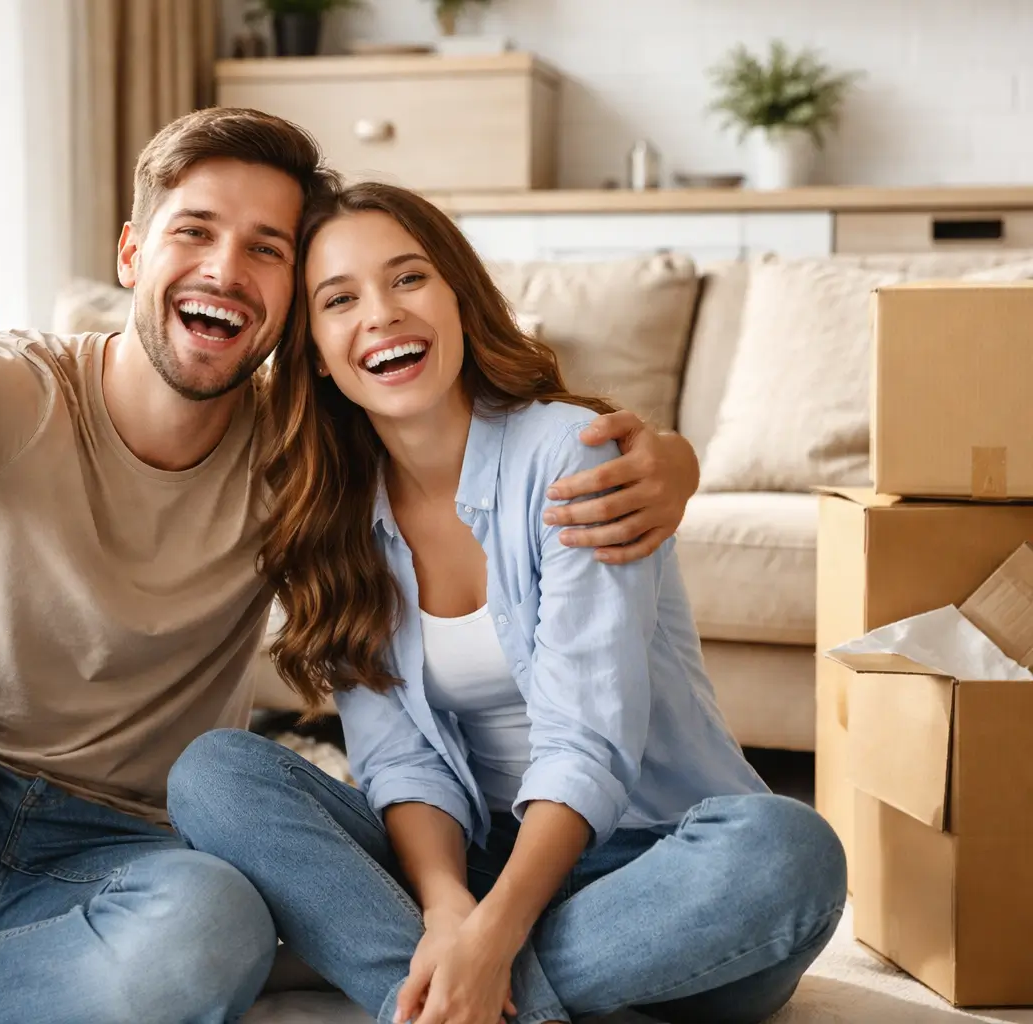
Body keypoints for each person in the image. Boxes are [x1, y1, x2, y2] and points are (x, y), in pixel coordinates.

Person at [0, 110, 701, 1024]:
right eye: (196, 231)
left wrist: (672, 462)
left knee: (218, 928)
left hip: (118, 846)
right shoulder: (9, 381)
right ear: (132, 251)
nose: (228, 266)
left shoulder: (302, 456)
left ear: (290, 313)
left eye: (269, 249)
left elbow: (453, 447)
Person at [167, 181, 847, 1024]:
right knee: (216, 773)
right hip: (476, 858)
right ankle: (441, 989)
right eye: (339, 299)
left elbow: (585, 738)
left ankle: (413, 979)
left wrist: (493, 936)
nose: (380, 314)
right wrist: (451, 906)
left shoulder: (569, 455)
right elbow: (398, 759)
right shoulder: (329, 513)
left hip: (659, 869)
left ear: (459, 296)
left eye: (408, 279)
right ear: (313, 349)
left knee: (788, 852)